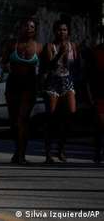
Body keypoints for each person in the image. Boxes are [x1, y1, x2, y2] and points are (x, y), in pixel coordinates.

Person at [1, 18, 43, 165]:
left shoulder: (39, 47)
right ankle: (17, 151)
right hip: (13, 85)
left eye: (32, 27)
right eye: (26, 26)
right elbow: (3, 62)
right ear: (20, 28)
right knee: (14, 122)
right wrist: (5, 68)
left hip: (29, 86)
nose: (29, 29)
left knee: (23, 119)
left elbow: (44, 68)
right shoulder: (12, 44)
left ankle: (21, 154)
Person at [40, 20, 78, 163]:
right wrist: (60, 53)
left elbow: (76, 64)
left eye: (64, 30)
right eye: (59, 30)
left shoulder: (72, 46)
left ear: (68, 32)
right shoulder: (49, 46)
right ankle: (48, 153)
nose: (62, 32)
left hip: (67, 81)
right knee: (51, 118)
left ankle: (61, 149)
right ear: (54, 31)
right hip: (52, 84)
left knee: (70, 115)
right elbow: (49, 66)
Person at [87, 26, 104, 164]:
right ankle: (98, 151)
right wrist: (90, 95)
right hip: (99, 93)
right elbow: (89, 76)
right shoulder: (95, 52)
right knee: (100, 123)